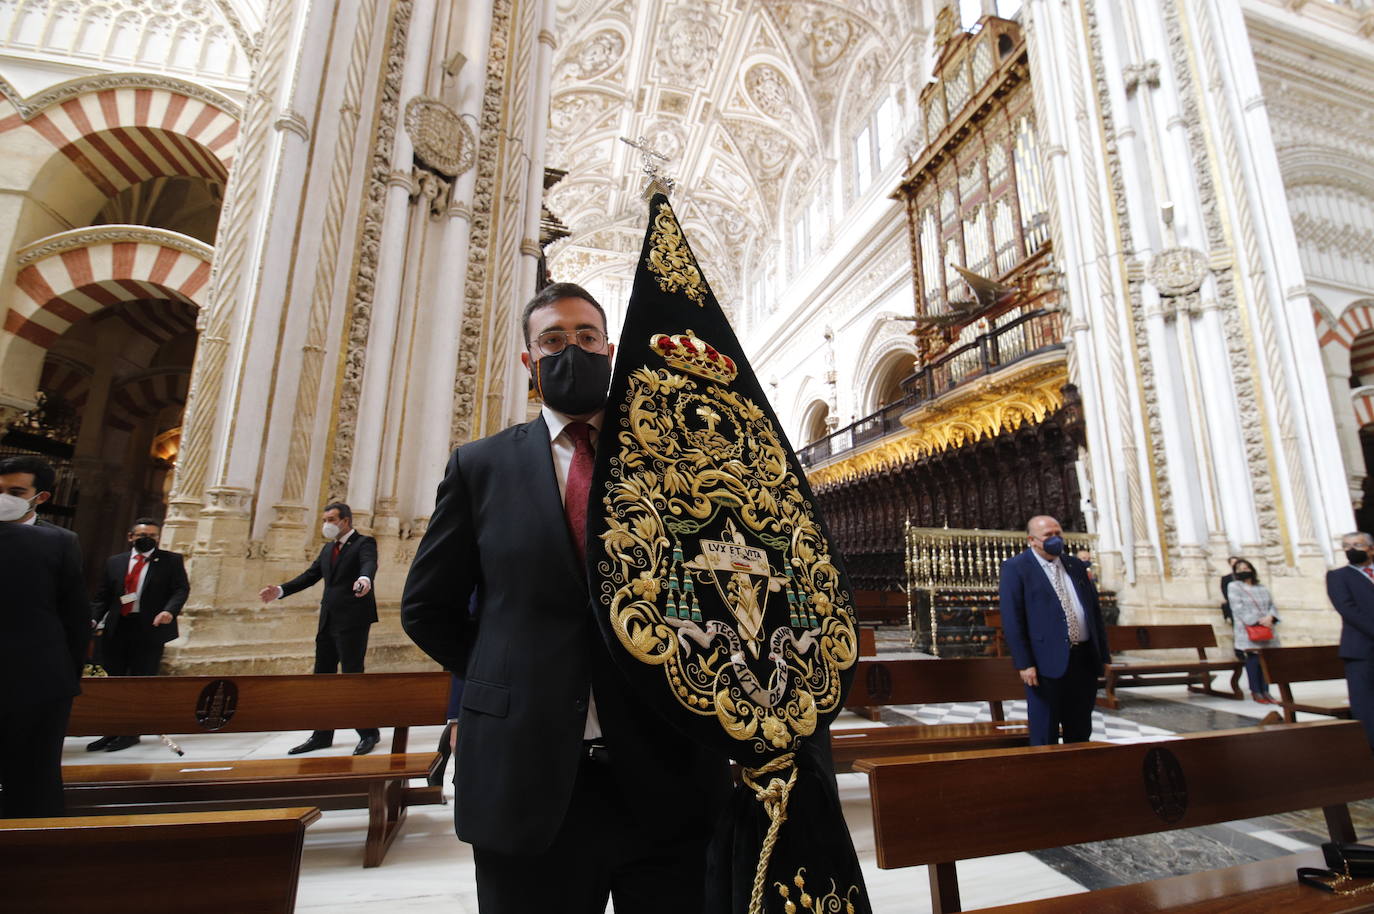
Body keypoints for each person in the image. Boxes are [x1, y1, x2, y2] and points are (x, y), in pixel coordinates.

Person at [402, 282, 731, 914]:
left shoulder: (669, 461)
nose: (570, 350)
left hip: (667, 766)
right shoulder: (481, 466)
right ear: (529, 361)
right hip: (526, 771)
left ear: (610, 350)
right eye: (552, 340)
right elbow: (426, 607)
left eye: (585, 337)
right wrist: (505, 663)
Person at [259, 503, 380, 755]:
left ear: (346, 520)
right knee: (322, 676)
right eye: (325, 519)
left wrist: (365, 579)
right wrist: (280, 591)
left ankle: (368, 732)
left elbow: (368, 564)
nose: (327, 523)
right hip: (328, 620)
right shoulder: (327, 549)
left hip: (353, 619)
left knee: (352, 675)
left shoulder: (363, 543)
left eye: (332, 519)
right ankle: (321, 734)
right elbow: (310, 576)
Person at [0, 513, 88, 815]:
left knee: (34, 777)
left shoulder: (58, 541)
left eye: (14, 490)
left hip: (38, 678)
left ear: (40, 497)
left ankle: (37, 847)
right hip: (42, 676)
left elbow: (75, 618)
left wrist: (67, 674)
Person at [999, 515, 1110, 745]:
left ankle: (1077, 774)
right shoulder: (1016, 568)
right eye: (1048, 535)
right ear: (1032, 540)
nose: (1055, 539)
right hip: (1044, 662)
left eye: (1058, 533)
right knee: (1045, 729)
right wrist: (1024, 663)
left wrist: (1104, 655)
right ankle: (1046, 776)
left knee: (1080, 727)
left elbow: (1093, 612)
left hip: (1083, 659)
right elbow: (1012, 619)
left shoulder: (1076, 565)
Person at [87, 517, 190, 751]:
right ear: (131, 537)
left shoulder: (170, 560)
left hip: (150, 628)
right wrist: (93, 619)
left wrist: (169, 611)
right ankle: (110, 731)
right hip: (118, 627)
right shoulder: (116, 562)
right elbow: (103, 596)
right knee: (114, 681)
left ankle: (131, 732)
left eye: (153, 536)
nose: (148, 539)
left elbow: (180, 589)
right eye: (143, 535)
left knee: (140, 681)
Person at [1328, 533, 1374, 749]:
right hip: (1361, 649)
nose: (1351, 549)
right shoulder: (1338, 576)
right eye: (1346, 546)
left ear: (1371, 549)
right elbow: (1348, 609)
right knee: (1366, 704)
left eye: (1357, 545)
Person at [1227, 558, 1278, 704]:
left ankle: (1266, 690)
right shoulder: (1234, 586)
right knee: (1253, 660)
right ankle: (1256, 691)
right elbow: (1237, 608)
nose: (1243, 571)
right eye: (1239, 569)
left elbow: (1271, 604)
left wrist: (1271, 617)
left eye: (1246, 568)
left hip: (1266, 628)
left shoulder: (1261, 587)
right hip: (1249, 629)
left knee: (1266, 660)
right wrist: (1257, 620)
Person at [1219, 555, 1241, 623]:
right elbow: (1224, 590)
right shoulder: (1225, 578)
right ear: (1230, 564)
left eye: (1236, 562)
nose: (1235, 563)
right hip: (1232, 601)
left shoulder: (1245, 576)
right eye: (1233, 562)